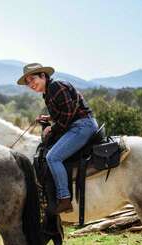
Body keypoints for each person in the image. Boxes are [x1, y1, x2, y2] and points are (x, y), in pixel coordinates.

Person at [16, 63, 98, 213]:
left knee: (53, 157)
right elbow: (62, 113)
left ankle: (64, 198)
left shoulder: (56, 86)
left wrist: (51, 128)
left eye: (32, 79)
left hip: (82, 125)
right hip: (76, 125)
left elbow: (67, 115)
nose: (30, 84)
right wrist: (48, 118)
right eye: (27, 82)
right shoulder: (48, 92)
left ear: (43, 76)